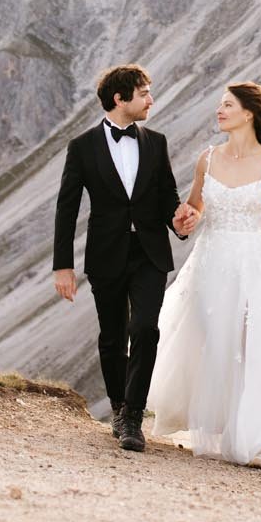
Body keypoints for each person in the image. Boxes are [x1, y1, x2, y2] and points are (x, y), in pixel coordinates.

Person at [142, 81, 261, 468]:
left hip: (254, 261)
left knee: (253, 344)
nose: (219, 111)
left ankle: (254, 439)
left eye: (227, 105)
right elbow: (194, 207)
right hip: (211, 260)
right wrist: (187, 218)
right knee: (215, 342)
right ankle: (218, 425)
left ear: (248, 113)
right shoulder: (208, 158)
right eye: (220, 105)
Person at [51, 63, 197, 453]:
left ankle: (133, 415)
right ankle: (118, 407)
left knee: (146, 329)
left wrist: (178, 221)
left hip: (150, 252)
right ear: (120, 98)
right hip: (107, 253)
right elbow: (67, 208)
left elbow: (167, 193)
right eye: (145, 92)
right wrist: (62, 266)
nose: (151, 99)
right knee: (113, 337)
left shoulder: (156, 141)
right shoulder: (82, 147)